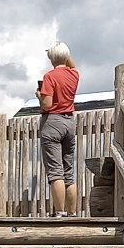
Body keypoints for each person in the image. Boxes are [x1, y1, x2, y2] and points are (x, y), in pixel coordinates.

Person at [35, 40, 80, 217]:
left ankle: (59, 211)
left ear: (51, 58)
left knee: (56, 172)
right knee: (69, 171)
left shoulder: (50, 76)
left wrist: (40, 96)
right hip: (70, 122)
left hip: (52, 121)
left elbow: (47, 104)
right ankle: (72, 212)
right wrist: (64, 52)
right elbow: (72, 65)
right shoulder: (74, 75)